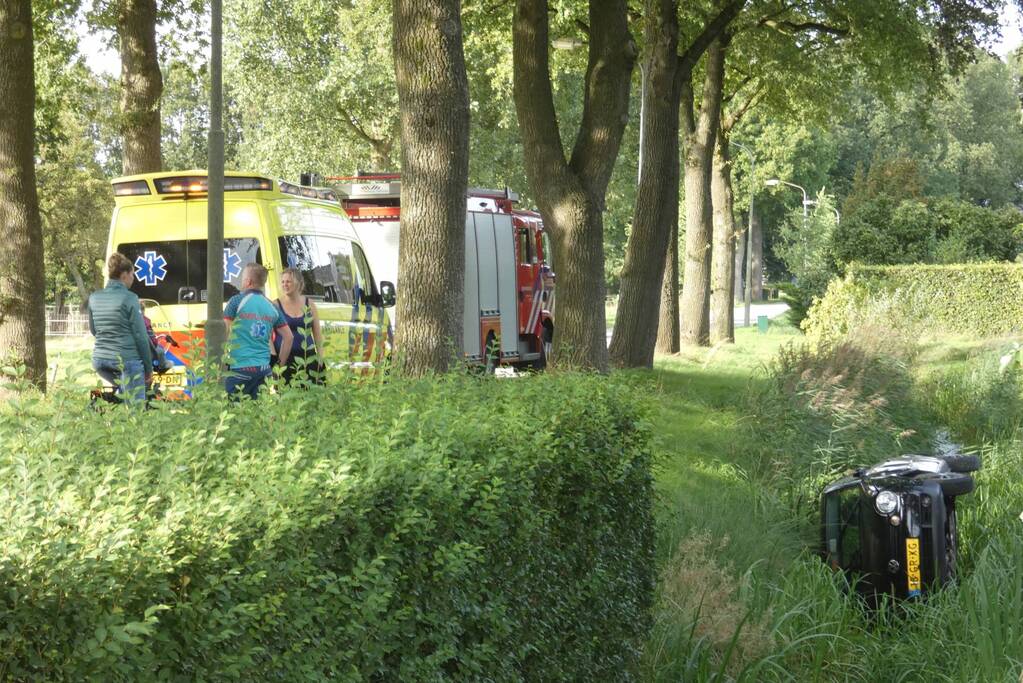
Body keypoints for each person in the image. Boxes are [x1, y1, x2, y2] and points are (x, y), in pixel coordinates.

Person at [87, 252, 153, 404]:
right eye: (132, 274)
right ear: (124, 275)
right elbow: (141, 336)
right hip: (126, 360)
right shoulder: (130, 298)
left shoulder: (94, 297)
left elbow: (94, 330)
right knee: (135, 410)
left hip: (100, 361)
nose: (133, 278)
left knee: (123, 396)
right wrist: (148, 370)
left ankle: (110, 413)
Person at [223, 263, 292, 400]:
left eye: (242, 278)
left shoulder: (236, 301)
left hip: (239, 368)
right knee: (259, 416)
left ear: (248, 281)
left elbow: (224, 330)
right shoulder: (271, 306)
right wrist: (279, 366)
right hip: (263, 370)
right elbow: (289, 337)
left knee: (234, 415)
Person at [272, 267, 325, 385]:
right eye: (283, 282)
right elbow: (267, 337)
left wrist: (320, 360)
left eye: (288, 281)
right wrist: (274, 360)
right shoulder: (275, 305)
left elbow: (317, 336)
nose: (285, 284)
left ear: (298, 283)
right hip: (284, 361)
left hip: (308, 359)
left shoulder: (309, 304)